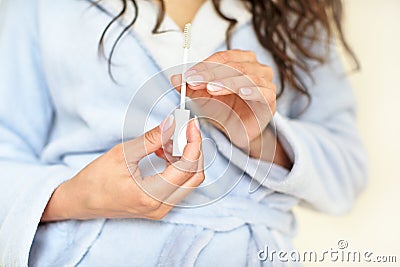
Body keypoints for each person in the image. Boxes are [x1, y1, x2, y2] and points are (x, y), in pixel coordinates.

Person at [0, 0, 368, 266]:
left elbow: (346, 171)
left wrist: (257, 138)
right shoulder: (40, 9)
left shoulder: (295, 14)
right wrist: (76, 196)